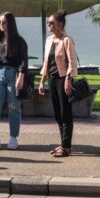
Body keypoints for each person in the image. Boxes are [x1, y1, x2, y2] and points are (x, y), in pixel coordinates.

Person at [0, 11, 28, 151]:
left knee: (14, 107)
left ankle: (13, 137)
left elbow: (23, 61)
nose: (1, 25)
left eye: (4, 22)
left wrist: (21, 77)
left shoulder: (19, 41)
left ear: (10, 23)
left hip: (13, 74)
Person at [38, 10, 79, 157]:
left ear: (60, 24)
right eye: (48, 23)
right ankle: (63, 143)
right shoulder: (49, 40)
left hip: (63, 79)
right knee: (57, 114)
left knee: (65, 113)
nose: (48, 25)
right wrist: (42, 81)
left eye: (51, 23)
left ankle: (66, 147)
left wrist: (68, 80)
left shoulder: (67, 40)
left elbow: (73, 63)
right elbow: (46, 63)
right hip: (52, 79)